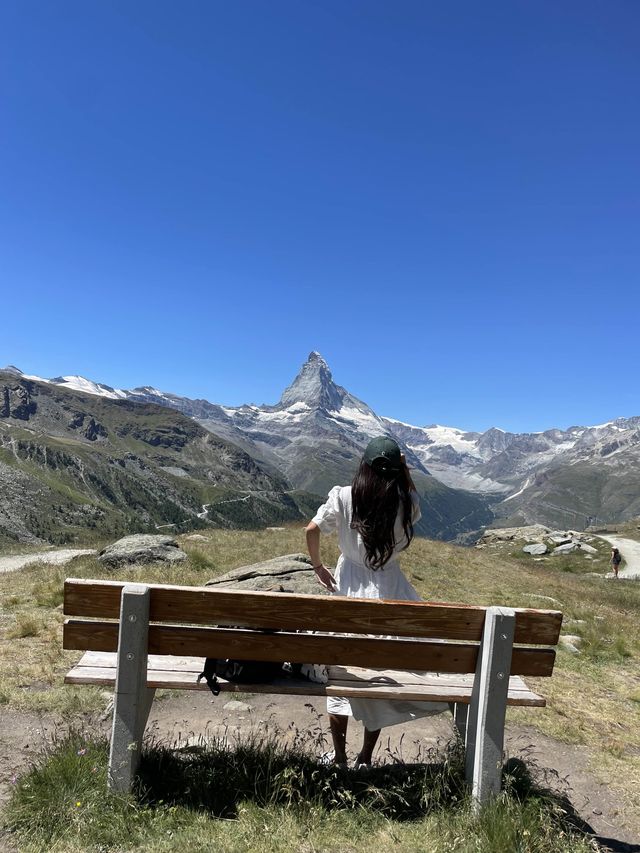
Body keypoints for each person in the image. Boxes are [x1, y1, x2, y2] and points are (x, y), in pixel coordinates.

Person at [305, 435, 447, 768]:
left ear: (364, 466)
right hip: (390, 588)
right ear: (399, 470)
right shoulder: (406, 502)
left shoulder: (342, 497)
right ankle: (365, 758)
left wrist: (318, 566)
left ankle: (339, 757)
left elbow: (311, 530)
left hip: (348, 586)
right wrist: (405, 474)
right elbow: (412, 497)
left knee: (341, 674)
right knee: (380, 673)